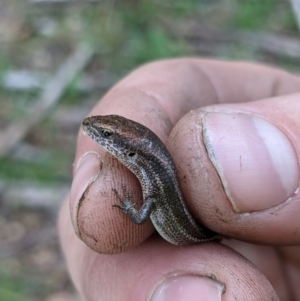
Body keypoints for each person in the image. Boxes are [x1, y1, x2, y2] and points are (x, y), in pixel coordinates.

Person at [58, 59, 300, 301]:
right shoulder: (154, 179)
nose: (97, 134)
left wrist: (127, 207)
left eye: (107, 135)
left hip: (201, 241)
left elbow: (141, 217)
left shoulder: (154, 185)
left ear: (130, 152)